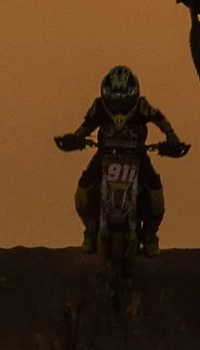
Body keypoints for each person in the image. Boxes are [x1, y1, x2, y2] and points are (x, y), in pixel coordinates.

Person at [55, 64, 189, 252]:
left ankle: (150, 233)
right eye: (114, 95)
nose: (119, 100)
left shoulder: (141, 106)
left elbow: (159, 118)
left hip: (137, 156)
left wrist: (171, 137)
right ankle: (90, 229)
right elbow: (86, 126)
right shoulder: (99, 106)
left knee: (155, 191)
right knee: (83, 189)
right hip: (105, 155)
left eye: (123, 95)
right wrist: (76, 138)